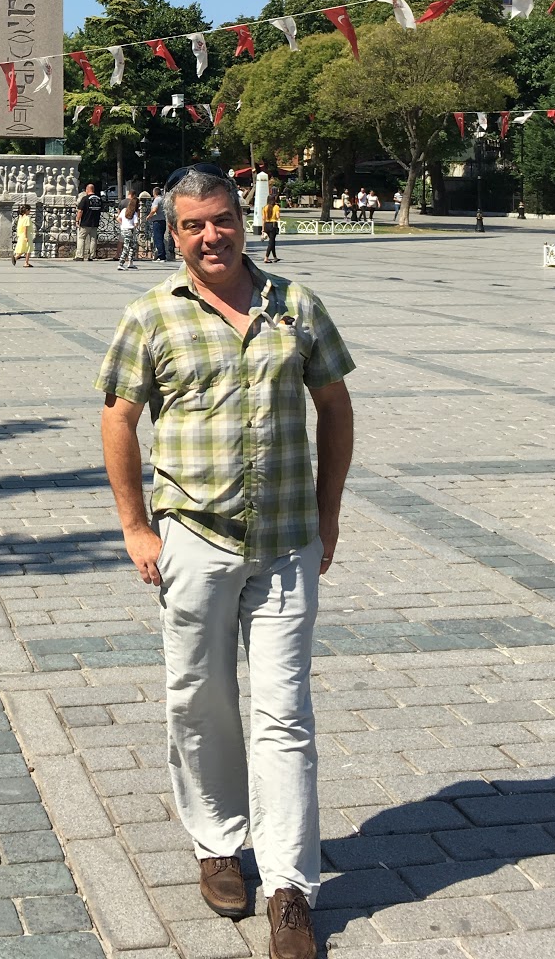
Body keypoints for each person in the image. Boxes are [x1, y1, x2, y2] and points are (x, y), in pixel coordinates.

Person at [96, 165, 355, 957]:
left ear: (243, 220)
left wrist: (329, 511)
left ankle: (289, 887)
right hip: (195, 539)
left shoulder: (296, 306)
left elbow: (336, 407)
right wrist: (137, 528)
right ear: (171, 233)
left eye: (221, 220)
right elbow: (118, 419)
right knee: (199, 702)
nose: (210, 237)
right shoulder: (151, 317)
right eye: (192, 226)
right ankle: (217, 841)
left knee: (285, 717)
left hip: (284, 541)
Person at [75, 183, 103, 261]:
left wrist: (77, 220)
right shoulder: (99, 199)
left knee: (81, 238)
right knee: (93, 239)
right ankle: (92, 256)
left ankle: (80, 255)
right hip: (95, 222)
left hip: (85, 222)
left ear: (87, 190)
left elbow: (80, 210)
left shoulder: (85, 199)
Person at [118, 192, 141, 269]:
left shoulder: (124, 210)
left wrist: (123, 224)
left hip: (124, 229)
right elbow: (136, 223)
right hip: (130, 230)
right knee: (127, 247)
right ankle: (121, 263)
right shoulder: (134, 213)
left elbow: (118, 218)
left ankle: (130, 263)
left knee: (131, 246)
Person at [148, 186, 167, 261]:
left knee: (157, 239)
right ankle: (162, 254)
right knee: (161, 238)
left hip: (157, 221)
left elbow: (154, 209)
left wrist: (149, 216)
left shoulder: (156, 200)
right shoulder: (163, 199)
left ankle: (161, 256)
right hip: (163, 220)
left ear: (154, 193)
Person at [13, 203, 35, 268]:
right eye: (29, 210)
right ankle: (25, 262)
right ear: (27, 210)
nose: (30, 212)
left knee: (23, 247)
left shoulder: (21, 217)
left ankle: (16, 257)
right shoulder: (27, 218)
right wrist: (26, 236)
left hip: (21, 234)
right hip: (26, 234)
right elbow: (25, 227)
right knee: (28, 248)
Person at [262, 191, 281, 264]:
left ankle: (275, 257)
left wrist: (263, 230)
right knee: (271, 242)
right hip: (273, 225)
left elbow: (263, 219)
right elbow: (278, 216)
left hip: (266, 224)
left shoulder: (265, 207)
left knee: (272, 241)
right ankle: (266, 257)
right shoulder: (276, 207)